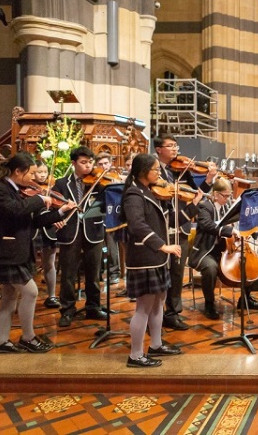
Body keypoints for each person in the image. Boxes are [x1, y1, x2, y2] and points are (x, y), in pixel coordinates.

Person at [0, 152, 76, 353]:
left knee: (9, 296)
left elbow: (31, 221)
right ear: (18, 171)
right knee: (31, 291)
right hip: (5, 251)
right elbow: (16, 210)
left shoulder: (19, 190)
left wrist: (60, 212)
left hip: (18, 251)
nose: (34, 179)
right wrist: (41, 200)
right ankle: (28, 337)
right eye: (31, 173)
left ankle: (1, 343)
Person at [121, 153, 184, 367]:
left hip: (156, 259)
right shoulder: (133, 194)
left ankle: (156, 344)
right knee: (143, 307)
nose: (159, 173)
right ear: (142, 172)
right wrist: (162, 245)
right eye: (155, 169)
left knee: (159, 303)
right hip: (144, 257)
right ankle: (135, 355)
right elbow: (137, 225)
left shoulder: (148, 191)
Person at [153, 133, 218, 329]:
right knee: (160, 273)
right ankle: (156, 314)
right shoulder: (153, 170)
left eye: (176, 146)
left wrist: (208, 178)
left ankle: (173, 312)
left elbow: (196, 193)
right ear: (159, 150)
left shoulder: (180, 170)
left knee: (177, 273)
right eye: (170, 146)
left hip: (181, 226)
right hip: (162, 227)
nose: (175, 150)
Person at [51, 146, 107, 327]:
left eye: (91, 162)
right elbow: (53, 205)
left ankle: (93, 307)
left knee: (94, 272)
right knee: (68, 273)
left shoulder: (99, 181)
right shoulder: (61, 183)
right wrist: (57, 218)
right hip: (70, 230)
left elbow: (108, 203)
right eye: (83, 163)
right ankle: (67, 310)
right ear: (73, 163)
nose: (88, 166)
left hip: (94, 230)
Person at [188, 178, 238, 319]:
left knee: (246, 262)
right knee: (211, 268)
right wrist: (227, 230)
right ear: (215, 194)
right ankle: (209, 304)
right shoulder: (205, 206)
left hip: (223, 250)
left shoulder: (226, 208)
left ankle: (245, 299)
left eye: (229, 196)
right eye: (225, 196)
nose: (228, 199)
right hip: (205, 251)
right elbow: (207, 225)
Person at [33, 159, 60, 308]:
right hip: (33, 231)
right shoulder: (27, 189)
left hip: (48, 230)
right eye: (39, 172)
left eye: (45, 172)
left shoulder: (51, 188)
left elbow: (57, 209)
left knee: (49, 263)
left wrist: (58, 218)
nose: (43, 175)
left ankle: (52, 296)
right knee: (28, 265)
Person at [95, 152, 121, 286]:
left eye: (106, 163)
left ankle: (114, 273)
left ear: (111, 164)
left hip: (111, 216)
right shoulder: (94, 180)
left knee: (112, 247)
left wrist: (116, 185)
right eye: (100, 164)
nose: (103, 166)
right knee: (97, 247)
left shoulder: (115, 179)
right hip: (95, 215)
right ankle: (97, 273)